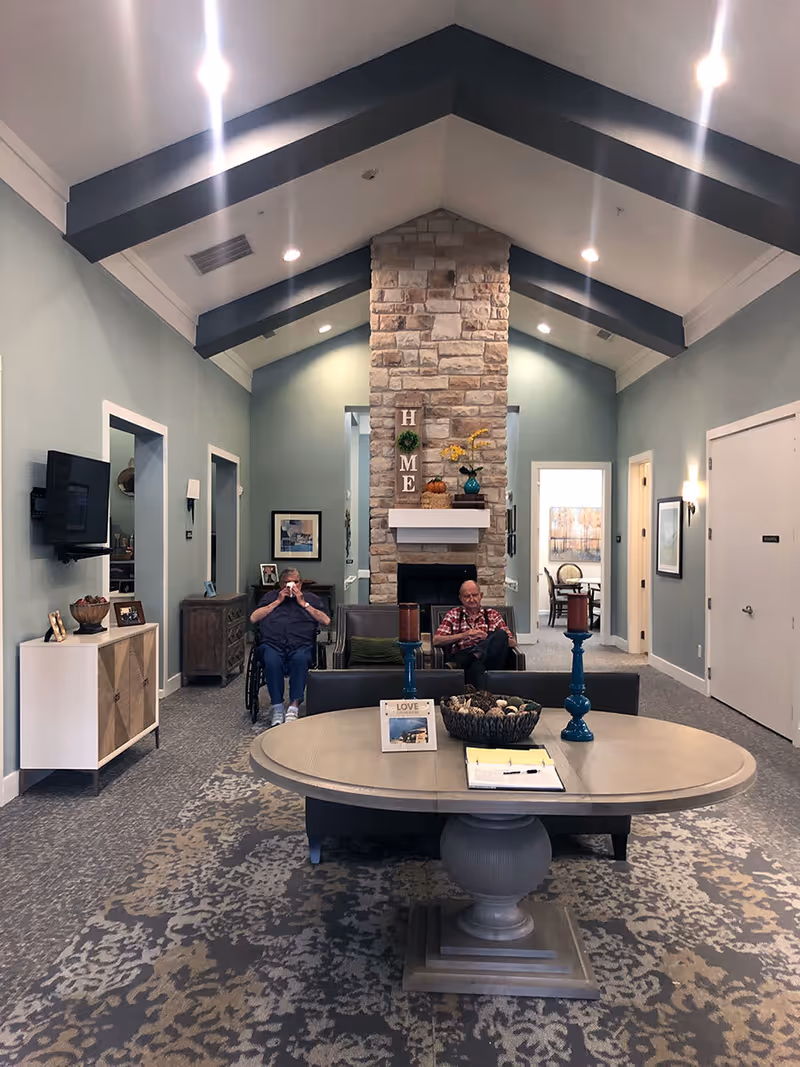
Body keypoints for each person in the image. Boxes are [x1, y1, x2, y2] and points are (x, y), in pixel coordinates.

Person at [250, 568, 330, 726]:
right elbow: (254, 618)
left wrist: (304, 604)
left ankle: (293, 707)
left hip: (301, 644)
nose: (291, 586)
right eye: (286, 583)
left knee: (300, 659)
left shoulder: (311, 599)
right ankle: (278, 708)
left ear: (301, 583)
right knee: (271, 660)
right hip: (272, 644)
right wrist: (277, 601)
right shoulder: (271, 597)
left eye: (294, 582)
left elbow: (326, 621)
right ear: (280, 584)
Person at [432, 580, 516, 687]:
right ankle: (474, 657)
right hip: (463, 653)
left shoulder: (493, 615)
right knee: (478, 666)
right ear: (461, 598)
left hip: (491, 659)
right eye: (467, 596)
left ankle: (472, 656)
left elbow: (512, 643)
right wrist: (463, 635)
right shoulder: (453, 614)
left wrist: (486, 637)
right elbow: (436, 640)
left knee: (501, 635)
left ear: (481, 596)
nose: (471, 599)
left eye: (475, 595)